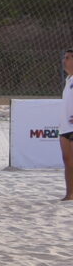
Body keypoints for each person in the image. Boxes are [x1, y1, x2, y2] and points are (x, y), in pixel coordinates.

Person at [60, 48, 73, 202]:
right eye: (65, 57)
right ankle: (69, 194)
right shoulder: (68, 80)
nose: (65, 60)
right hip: (65, 127)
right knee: (67, 160)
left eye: (68, 57)